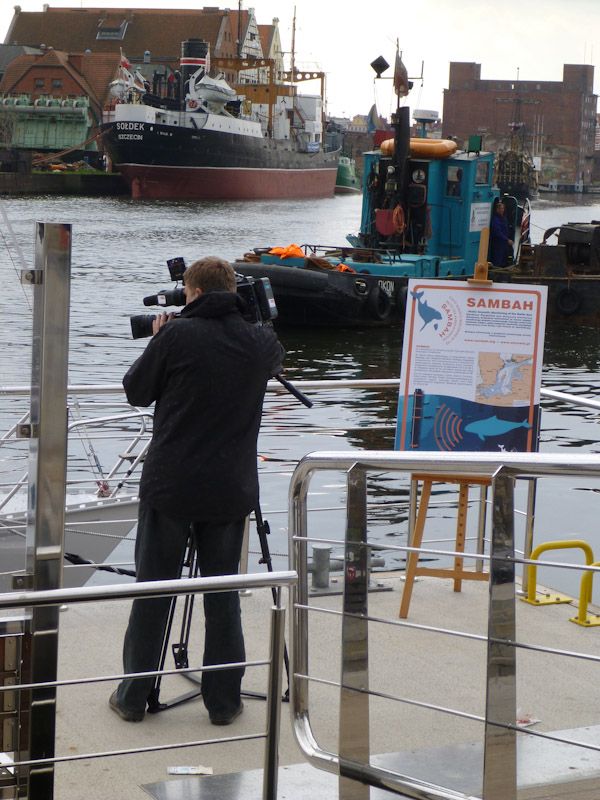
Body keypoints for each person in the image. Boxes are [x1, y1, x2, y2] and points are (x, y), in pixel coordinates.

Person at [109, 256, 284, 726]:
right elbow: (271, 355)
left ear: (195, 293)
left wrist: (160, 336)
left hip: (171, 486)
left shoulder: (176, 336)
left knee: (154, 592)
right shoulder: (260, 342)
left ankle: (133, 697)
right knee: (222, 597)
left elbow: (136, 391)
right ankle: (224, 704)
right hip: (229, 489)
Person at [490, 201, 514, 266]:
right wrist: (507, 240)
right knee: (497, 260)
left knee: (504, 258)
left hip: (504, 243)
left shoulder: (504, 218)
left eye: (503, 208)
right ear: (497, 209)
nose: (502, 210)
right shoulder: (495, 220)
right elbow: (497, 232)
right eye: (500, 208)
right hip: (498, 243)